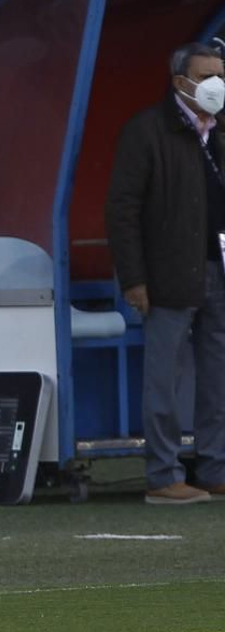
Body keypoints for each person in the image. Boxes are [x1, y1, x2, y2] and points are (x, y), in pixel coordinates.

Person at [106, 41, 225, 506]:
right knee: (165, 379)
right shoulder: (147, 131)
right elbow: (122, 209)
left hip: (217, 270)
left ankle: (215, 467)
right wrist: (134, 279)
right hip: (167, 275)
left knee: (217, 378)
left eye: (222, 74)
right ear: (181, 82)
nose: (217, 84)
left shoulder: (218, 131)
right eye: (207, 75)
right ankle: (163, 473)